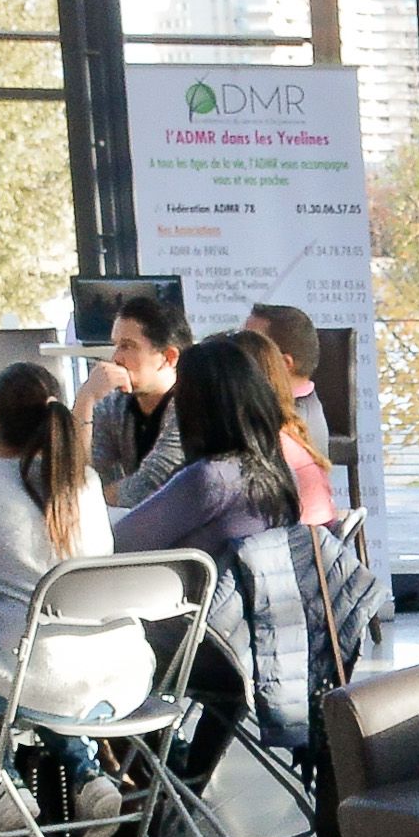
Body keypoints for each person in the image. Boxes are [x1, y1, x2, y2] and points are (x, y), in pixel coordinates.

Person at [0, 358, 143, 804]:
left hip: (31, 682)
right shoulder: (86, 485)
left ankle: (1, 788)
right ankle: (86, 776)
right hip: (119, 681)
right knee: (43, 665)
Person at [111, 329, 306, 787]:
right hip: (260, 646)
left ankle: (151, 785)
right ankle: (184, 782)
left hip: (205, 650)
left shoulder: (209, 479)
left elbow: (121, 541)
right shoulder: (274, 473)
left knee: (87, 658)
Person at [82, 294, 188, 509]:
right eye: (116, 346)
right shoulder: (114, 405)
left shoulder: (191, 406)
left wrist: (87, 499)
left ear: (168, 357)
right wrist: (85, 399)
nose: (116, 359)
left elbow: (149, 486)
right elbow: (83, 475)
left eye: (128, 346)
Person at [237, 300, 340, 518]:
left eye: (249, 347)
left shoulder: (284, 426)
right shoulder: (302, 408)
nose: (235, 356)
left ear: (283, 363)